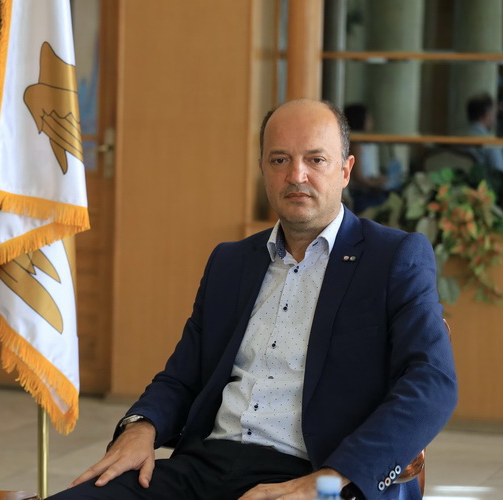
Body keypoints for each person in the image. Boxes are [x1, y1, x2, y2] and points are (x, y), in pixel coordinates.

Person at [49, 99, 457, 500]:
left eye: (316, 160)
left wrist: (330, 481)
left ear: (346, 170)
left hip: (314, 472)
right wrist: (141, 426)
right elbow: (183, 375)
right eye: (280, 160)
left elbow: (432, 381)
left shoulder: (393, 258)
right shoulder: (230, 262)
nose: (296, 175)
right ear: (263, 168)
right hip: (204, 466)